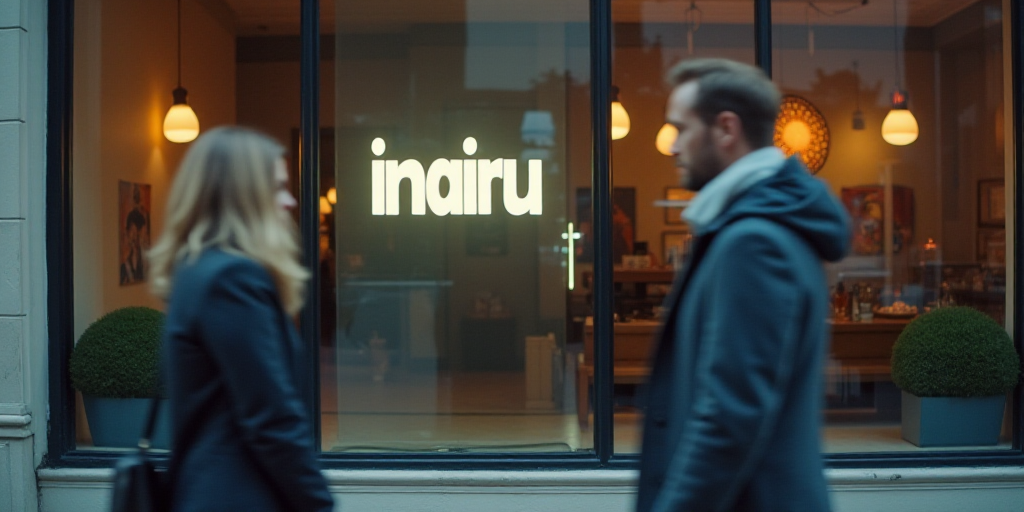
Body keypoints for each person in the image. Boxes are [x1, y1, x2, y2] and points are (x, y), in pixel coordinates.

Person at [636, 59, 851, 512]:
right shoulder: (759, 227)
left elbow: (728, 419)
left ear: (726, 129)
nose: (672, 146)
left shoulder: (754, 242)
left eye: (680, 128)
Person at [149, 127, 335, 512]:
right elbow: (272, 420)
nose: (290, 200)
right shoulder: (233, 280)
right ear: (242, 196)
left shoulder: (196, 270)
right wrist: (320, 505)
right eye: (278, 187)